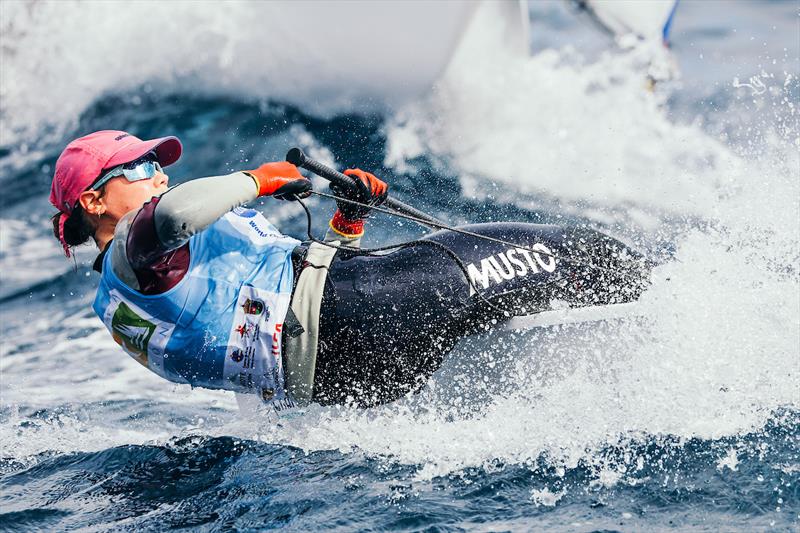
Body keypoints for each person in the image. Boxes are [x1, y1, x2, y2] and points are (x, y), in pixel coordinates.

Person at [51, 130, 635, 410]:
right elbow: (176, 211)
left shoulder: (122, 304)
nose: (156, 173)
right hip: (351, 315)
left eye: (156, 162)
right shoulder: (133, 249)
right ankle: (690, 288)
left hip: (337, 373)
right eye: (137, 167)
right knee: (570, 250)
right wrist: (259, 180)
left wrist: (347, 224)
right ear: (94, 203)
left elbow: (277, 307)